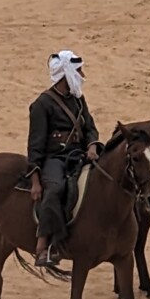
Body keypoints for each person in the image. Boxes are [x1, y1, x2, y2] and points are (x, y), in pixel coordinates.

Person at [26, 49, 101, 268]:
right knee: (55, 190)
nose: (82, 75)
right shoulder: (42, 105)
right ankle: (44, 245)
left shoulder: (78, 100)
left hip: (80, 155)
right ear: (66, 73)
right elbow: (35, 145)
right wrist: (35, 180)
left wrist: (93, 146)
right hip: (54, 158)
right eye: (78, 71)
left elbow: (90, 127)